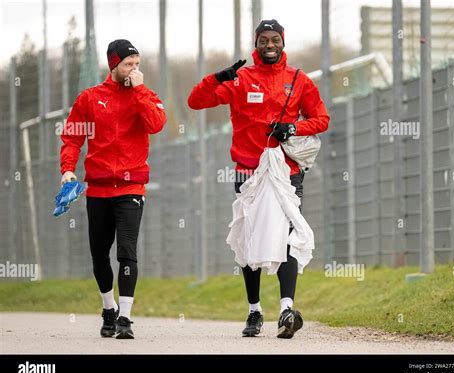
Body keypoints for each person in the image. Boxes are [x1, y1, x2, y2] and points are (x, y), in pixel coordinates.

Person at [188, 19, 330, 339]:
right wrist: (217, 77)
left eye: (275, 40)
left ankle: (286, 309)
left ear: (283, 42)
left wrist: (292, 128)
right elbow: (196, 101)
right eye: (264, 40)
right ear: (256, 43)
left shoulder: (298, 79)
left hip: (286, 172)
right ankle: (254, 311)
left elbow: (321, 119)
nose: (270, 45)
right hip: (247, 172)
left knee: (287, 235)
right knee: (250, 237)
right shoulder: (240, 80)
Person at [60, 39, 166, 339]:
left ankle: (125, 317)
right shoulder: (90, 98)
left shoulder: (144, 95)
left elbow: (157, 123)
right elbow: (71, 137)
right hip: (98, 188)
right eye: (128, 64)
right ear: (114, 66)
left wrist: (140, 90)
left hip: (132, 187)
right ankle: (108, 308)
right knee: (99, 254)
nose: (134, 69)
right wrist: (67, 169)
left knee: (127, 252)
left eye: (137, 63)